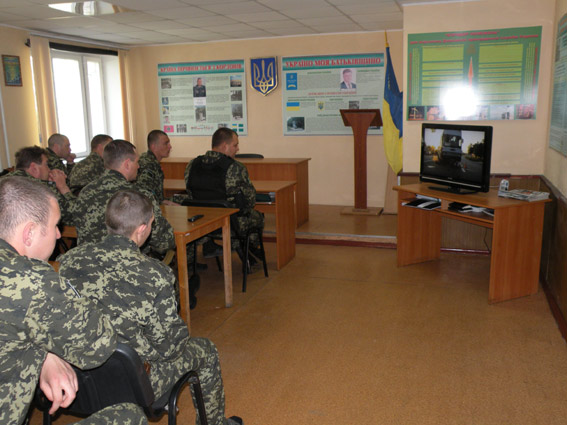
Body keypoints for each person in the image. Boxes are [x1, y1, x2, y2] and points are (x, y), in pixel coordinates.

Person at [59, 190, 243, 425]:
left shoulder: (69, 261)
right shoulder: (156, 274)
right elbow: (170, 348)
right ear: (142, 228)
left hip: (79, 378)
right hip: (135, 384)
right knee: (206, 349)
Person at [0, 176, 147, 425]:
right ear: (29, 233)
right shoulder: (31, 281)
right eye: (55, 225)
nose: (59, 234)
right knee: (130, 416)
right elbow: (99, 345)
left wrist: (42, 354)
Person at [71, 139, 174, 255]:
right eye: (137, 162)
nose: (138, 166)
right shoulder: (140, 196)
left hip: (87, 262)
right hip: (129, 264)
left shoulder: (86, 192)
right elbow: (164, 241)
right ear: (127, 164)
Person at [184, 127, 263, 260]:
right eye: (235, 145)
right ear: (225, 146)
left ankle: (212, 246)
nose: (237, 149)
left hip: (201, 221)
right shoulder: (236, 168)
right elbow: (250, 200)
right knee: (258, 217)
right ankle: (250, 248)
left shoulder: (192, 165)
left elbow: (190, 194)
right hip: (229, 223)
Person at [6, 146, 77, 226]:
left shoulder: (5, 180)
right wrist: (63, 187)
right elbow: (76, 215)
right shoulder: (39, 187)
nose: (49, 170)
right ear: (34, 168)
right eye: (46, 164)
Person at [136, 129, 176, 205]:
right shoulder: (148, 165)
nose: (170, 146)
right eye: (166, 143)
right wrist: (163, 203)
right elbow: (144, 197)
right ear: (153, 147)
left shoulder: (152, 161)